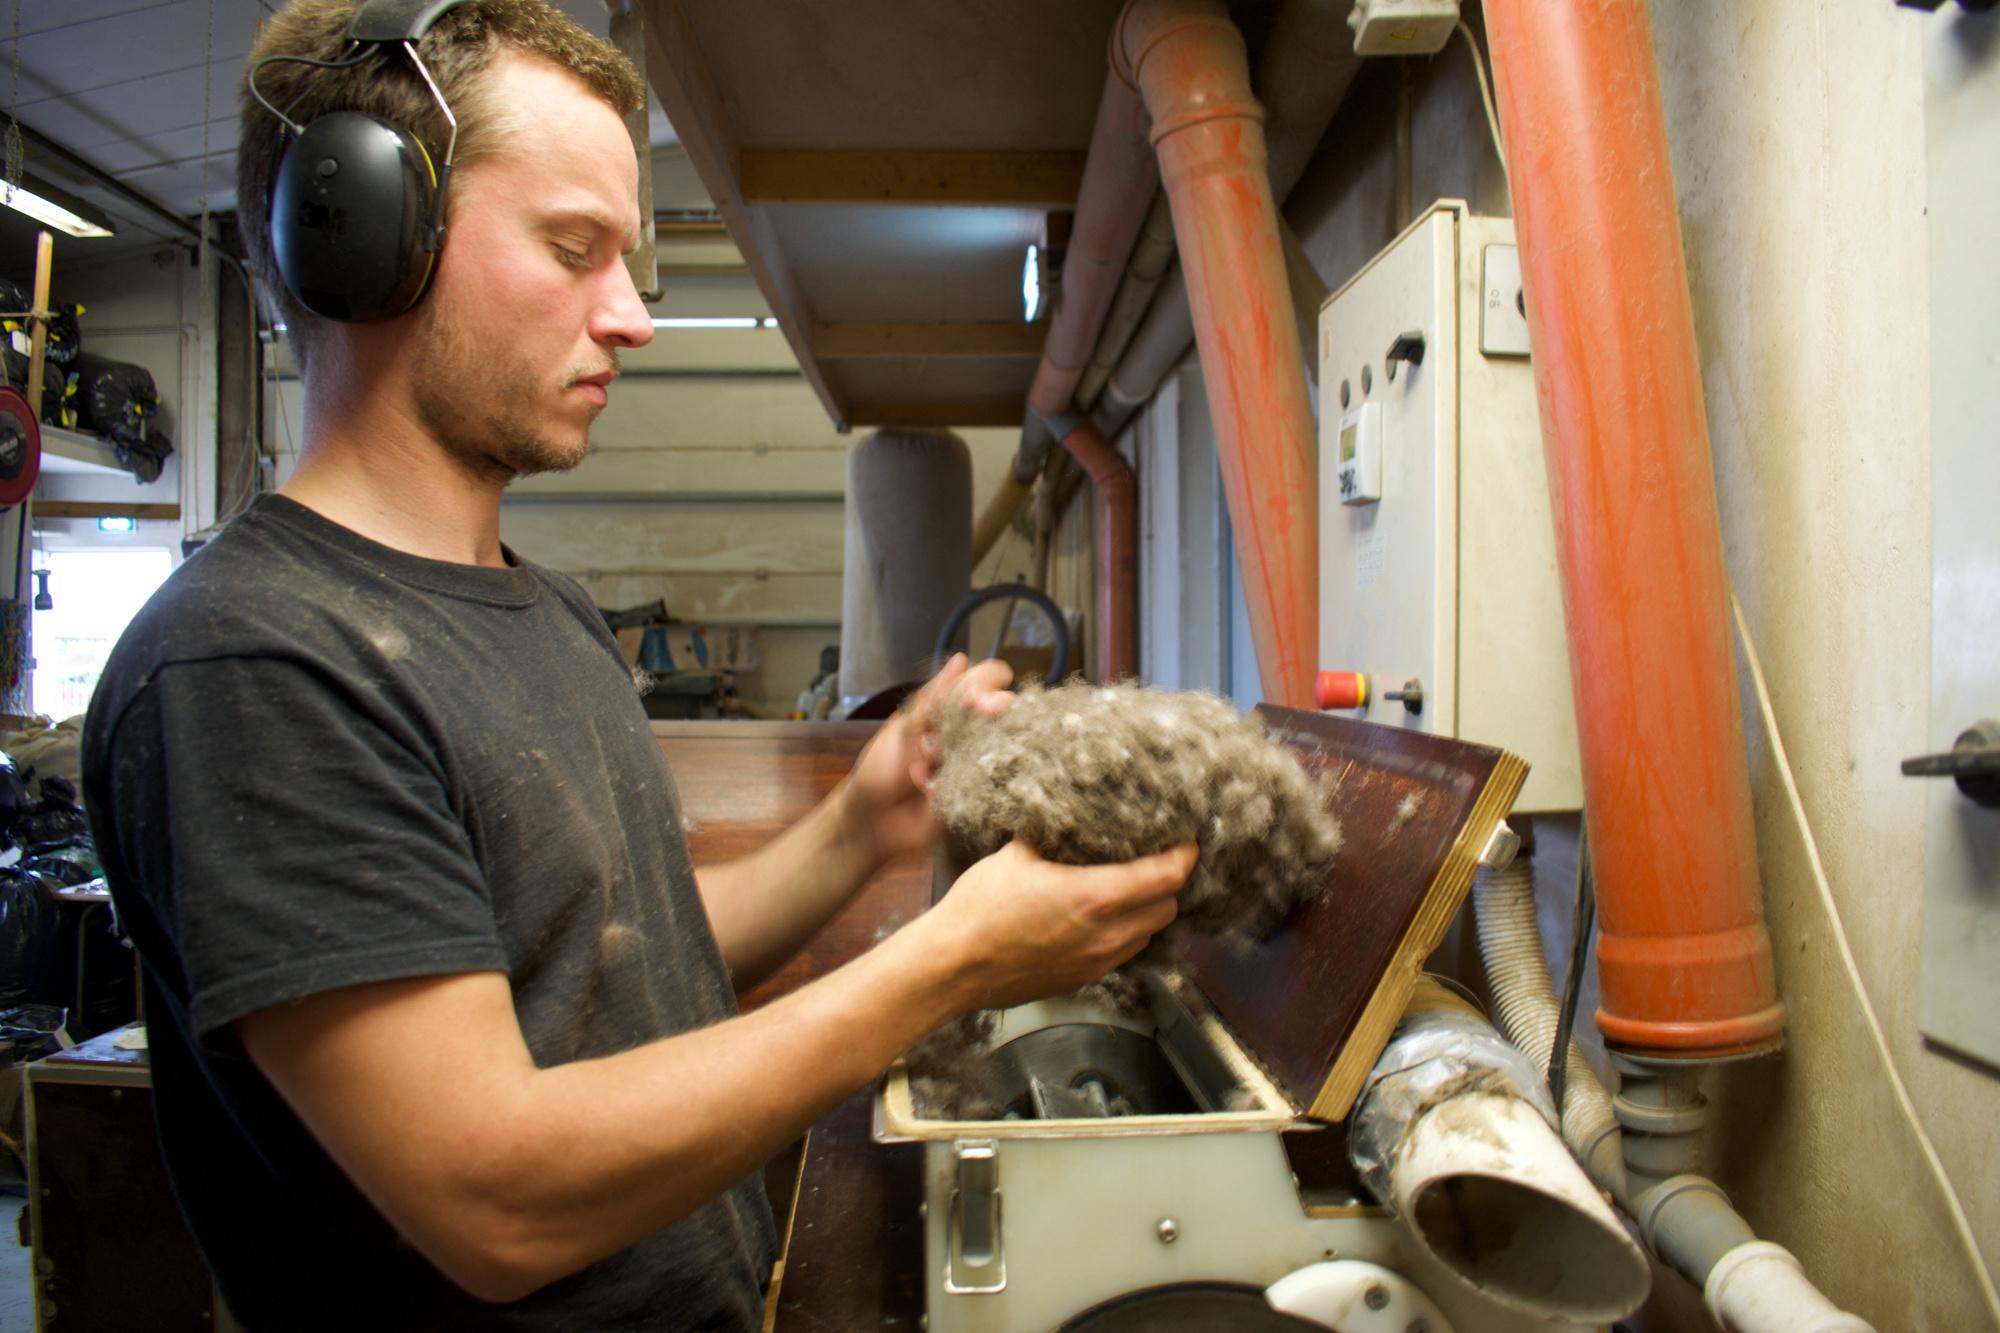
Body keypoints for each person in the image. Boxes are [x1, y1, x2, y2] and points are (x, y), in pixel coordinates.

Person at [79, 2, 1193, 1329]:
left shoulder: (539, 611)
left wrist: (860, 819)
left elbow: (619, 966)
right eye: (573, 248)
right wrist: (947, 963)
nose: (633, 317)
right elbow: (496, 1197)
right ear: (368, 236)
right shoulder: (254, 664)